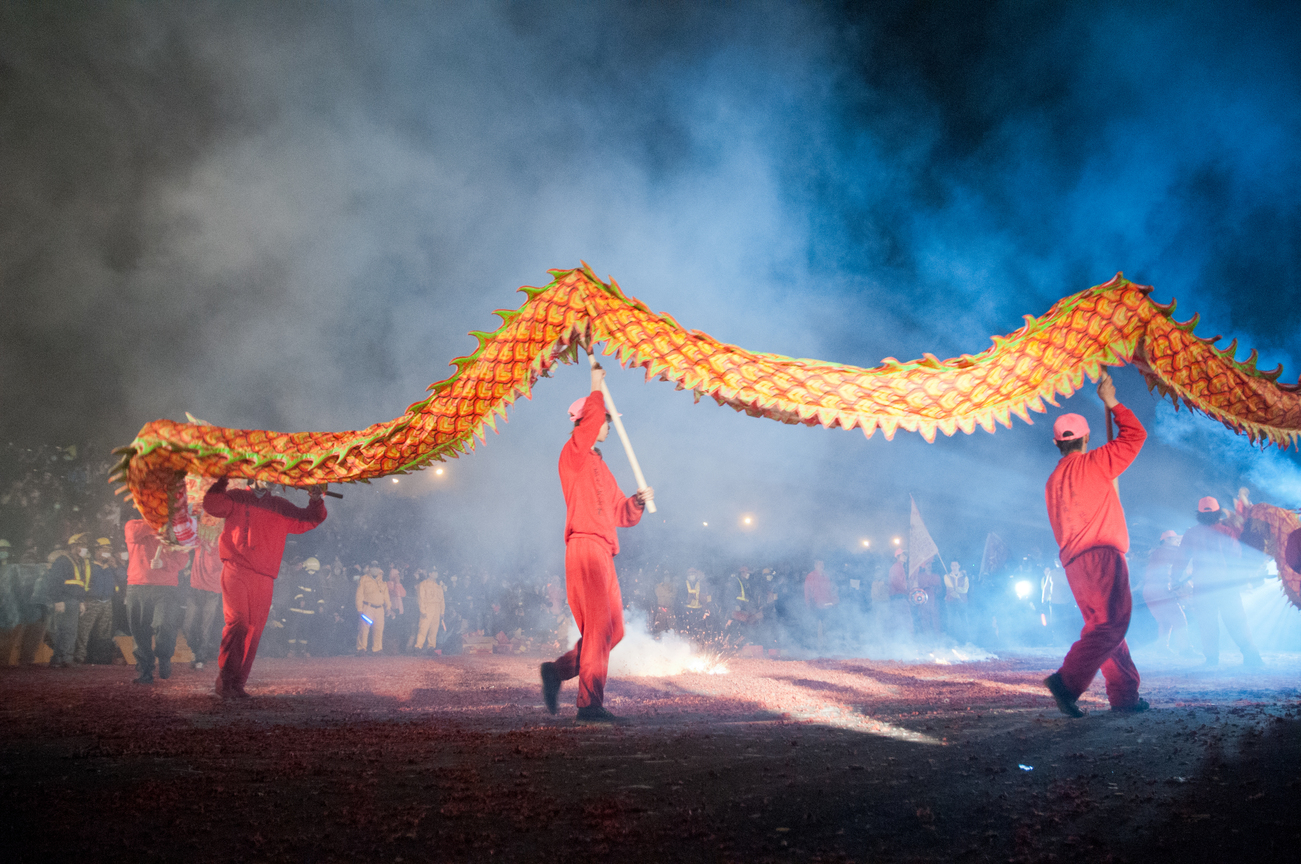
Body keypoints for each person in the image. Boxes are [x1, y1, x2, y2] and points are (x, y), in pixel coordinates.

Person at [540, 362, 653, 724]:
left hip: (604, 551)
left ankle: (557, 672)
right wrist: (595, 383)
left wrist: (635, 501)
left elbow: (621, 513)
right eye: (606, 419)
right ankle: (589, 705)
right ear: (588, 420)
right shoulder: (572, 455)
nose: (608, 426)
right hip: (585, 548)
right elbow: (589, 421)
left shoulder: (600, 466)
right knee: (600, 630)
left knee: (613, 630)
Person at [1042, 371, 1149, 717]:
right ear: (1087, 438)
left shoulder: (1053, 481)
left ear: (1057, 443)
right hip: (1102, 556)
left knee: (1104, 630)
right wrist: (1111, 402)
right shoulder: (1097, 462)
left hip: (1074, 565)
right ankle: (1067, 682)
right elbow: (1135, 436)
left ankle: (1124, 696)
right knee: (1111, 626)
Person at [202, 478, 327, 698]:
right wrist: (221, 481)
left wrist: (316, 499)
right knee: (238, 623)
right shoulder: (237, 496)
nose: (271, 477)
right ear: (254, 474)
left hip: (265, 577)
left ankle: (238, 684)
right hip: (237, 570)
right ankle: (227, 680)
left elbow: (312, 518)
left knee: (254, 632)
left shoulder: (280, 505)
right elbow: (212, 506)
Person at [1177, 497, 1263, 668]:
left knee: (1207, 624)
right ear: (1218, 513)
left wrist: (1174, 579)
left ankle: (1211, 659)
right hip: (1226, 587)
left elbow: (1181, 560)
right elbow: (1236, 556)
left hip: (1203, 588)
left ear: (1199, 514)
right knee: (1237, 621)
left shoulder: (1191, 533)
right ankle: (1251, 656)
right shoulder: (1227, 531)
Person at [124, 519, 192, 683]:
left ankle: (164, 656)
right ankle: (145, 671)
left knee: (164, 624)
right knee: (139, 631)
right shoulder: (133, 525)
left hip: (166, 587)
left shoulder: (175, 530)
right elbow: (132, 535)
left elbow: (182, 558)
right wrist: (158, 522)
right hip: (137, 585)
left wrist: (164, 563)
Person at [46, 533, 92, 668]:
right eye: (81, 545)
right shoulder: (62, 561)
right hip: (65, 599)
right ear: (73, 546)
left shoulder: (81, 562)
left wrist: (81, 601)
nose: (84, 548)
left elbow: (81, 583)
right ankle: (62, 658)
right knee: (64, 630)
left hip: (74, 600)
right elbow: (54, 582)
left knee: (69, 630)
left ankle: (62, 658)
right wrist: (58, 600)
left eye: (85, 545)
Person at [1143, 530, 1192, 655]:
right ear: (1166, 540)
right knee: (1179, 619)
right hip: (1160, 589)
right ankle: (1185, 649)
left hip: (1149, 590)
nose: (1177, 541)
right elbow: (1185, 557)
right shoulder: (1167, 551)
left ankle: (1161, 647)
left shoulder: (1158, 552)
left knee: (1164, 620)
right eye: (1174, 539)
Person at [185, 526, 224, 670]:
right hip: (195, 588)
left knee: (205, 627)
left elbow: (220, 566)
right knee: (187, 625)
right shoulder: (199, 542)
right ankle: (195, 651)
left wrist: (209, 549)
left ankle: (200, 657)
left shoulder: (222, 546)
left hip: (212, 592)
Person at [73, 538, 117, 664]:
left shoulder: (110, 567)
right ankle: (79, 657)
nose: (107, 553)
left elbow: (122, 578)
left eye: (109, 550)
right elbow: (81, 582)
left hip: (107, 602)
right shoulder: (88, 565)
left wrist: (115, 567)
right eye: (105, 550)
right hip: (91, 602)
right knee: (84, 631)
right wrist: (82, 600)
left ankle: (100, 658)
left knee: (104, 631)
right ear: (97, 550)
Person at [286, 557, 325, 657]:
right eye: (311, 570)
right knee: (294, 628)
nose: (312, 572)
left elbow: (319, 593)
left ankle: (303, 650)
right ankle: (292, 650)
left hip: (309, 609)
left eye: (314, 571)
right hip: (296, 608)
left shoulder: (316, 578)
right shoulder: (299, 576)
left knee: (305, 630)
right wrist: (300, 599)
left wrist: (320, 605)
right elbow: (296, 589)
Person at [356, 564, 390, 653]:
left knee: (379, 629)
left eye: (377, 567)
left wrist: (388, 607)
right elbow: (359, 594)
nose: (375, 569)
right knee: (364, 628)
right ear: (370, 569)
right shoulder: (364, 579)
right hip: (368, 607)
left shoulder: (382, 581)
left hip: (380, 609)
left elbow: (386, 596)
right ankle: (362, 648)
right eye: (373, 567)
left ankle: (377, 649)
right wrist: (359, 608)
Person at [414, 568, 446, 653]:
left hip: (437, 608)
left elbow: (442, 599)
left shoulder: (438, 585)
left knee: (434, 630)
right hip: (427, 608)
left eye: (436, 572)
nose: (436, 574)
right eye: (434, 572)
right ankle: (418, 646)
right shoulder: (423, 584)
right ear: (430, 574)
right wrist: (423, 610)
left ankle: (431, 647)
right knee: (423, 628)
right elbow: (421, 598)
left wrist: (442, 611)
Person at [944, 560, 969, 643]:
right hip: (951, 602)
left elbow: (965, 589)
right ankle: (951, 641)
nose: (954, 567)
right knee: (951, 622)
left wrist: (956, 589)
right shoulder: (946, 576)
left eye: (955, 565)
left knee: (964, 621)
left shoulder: (965, 577)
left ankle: (965, 641)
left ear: (959, 566)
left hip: (963, 603)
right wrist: (959, 597)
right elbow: (951, 589)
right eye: (952, 566)